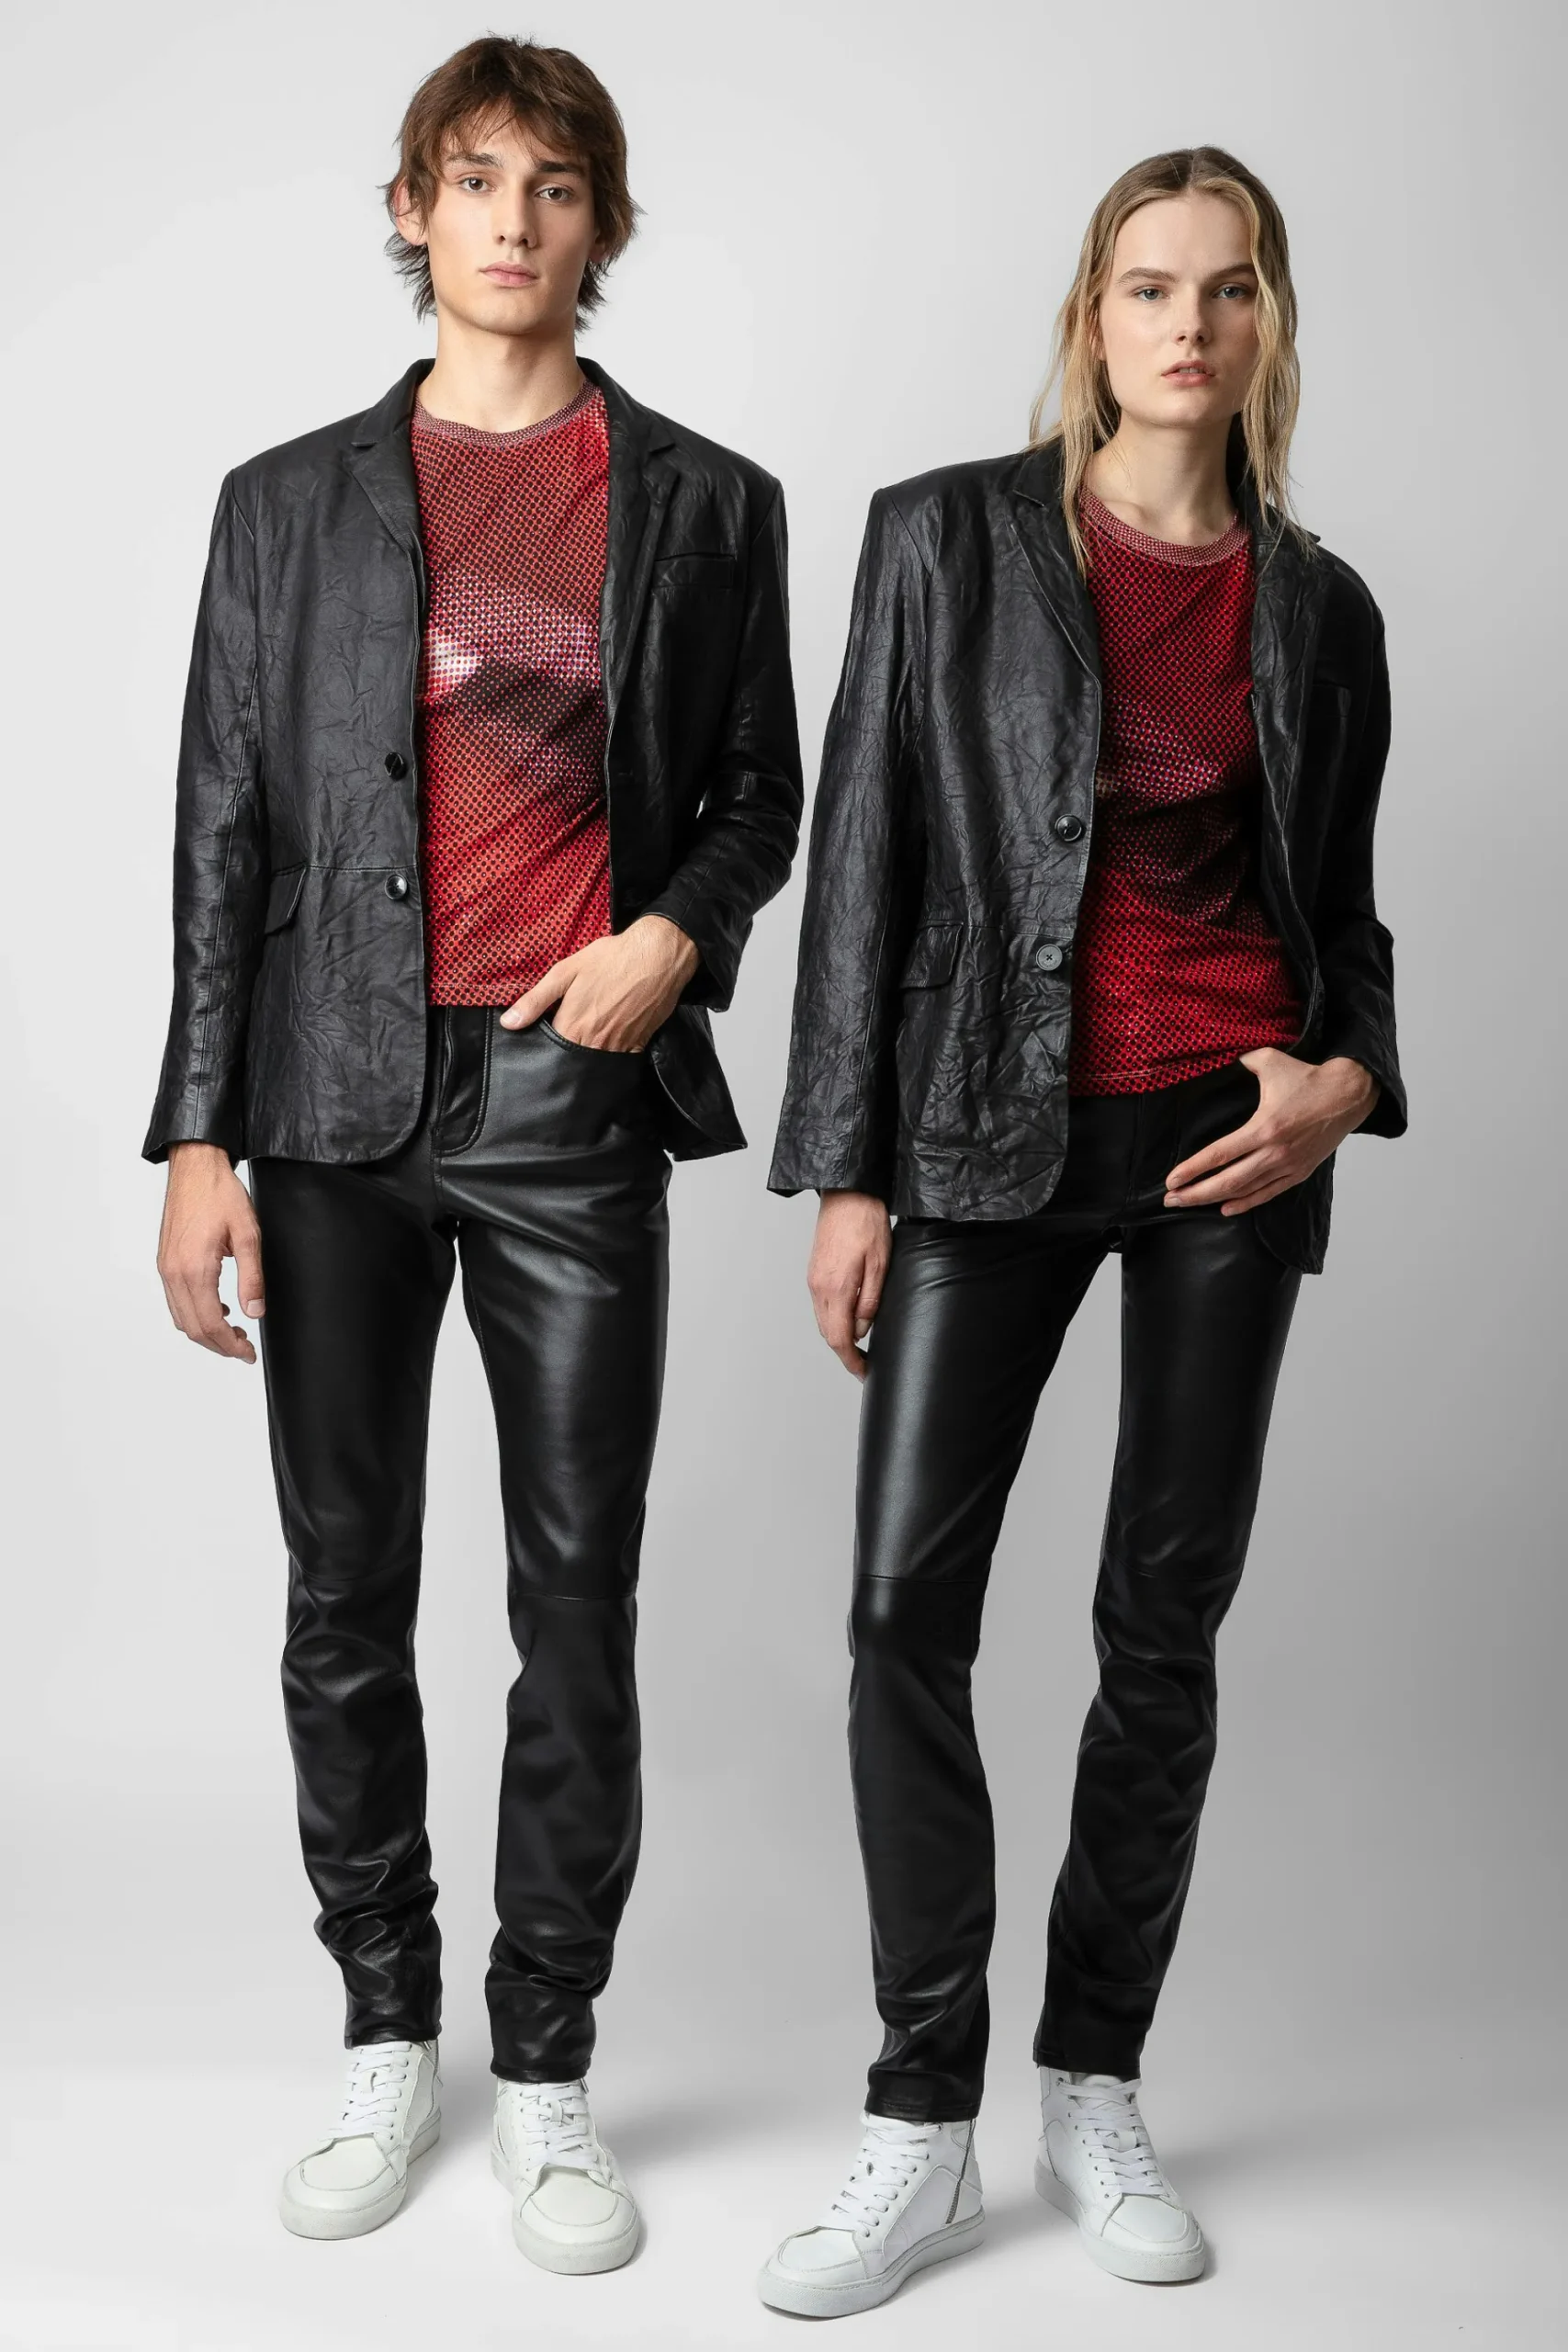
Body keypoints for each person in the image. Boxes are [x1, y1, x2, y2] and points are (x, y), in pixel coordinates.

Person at [146, 36, 801, 2270]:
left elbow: (757, 785)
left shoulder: (705, 501)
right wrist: (199, 1133)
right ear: (412, 206)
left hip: (568, 1100)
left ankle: (545, 2060)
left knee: (574, 1594)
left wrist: (674, 938)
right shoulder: (285, 502)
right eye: (475, 176)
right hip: (328, 1098)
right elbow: (222, 826)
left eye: (556, 184)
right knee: (342, 1591)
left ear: (600, 225)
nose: (514, 219)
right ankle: (382, 2026)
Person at [761, 145, 1404, 2316]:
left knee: (1161, 1622)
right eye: (1148, 286)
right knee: (900, 1614)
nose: (1186, 325)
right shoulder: (944, 539)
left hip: (1230, 1138)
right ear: (1090, 316)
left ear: (1266, 322)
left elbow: (1347, 918)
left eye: (1227, 288)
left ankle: (1091, 2078)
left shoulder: (1321, 610)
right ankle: (919, 2120)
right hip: (979, 1125)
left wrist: (1342, 1079)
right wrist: (846, 1167)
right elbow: (862, 854)